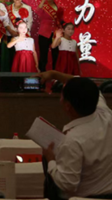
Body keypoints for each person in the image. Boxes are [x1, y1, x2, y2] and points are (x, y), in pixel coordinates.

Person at [37, 70, 112, 200]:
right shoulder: (106, 114)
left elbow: (67, 184)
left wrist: (51, 160)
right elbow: (83, 84)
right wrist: (54, 74)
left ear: (67, 106)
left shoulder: (73, 140)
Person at [35, 0, 63, 71]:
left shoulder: (58, 7)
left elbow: (60, 20)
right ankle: (42, 74)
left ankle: (55, 73)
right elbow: (37, 12)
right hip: (44, 33)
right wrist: (43, 0)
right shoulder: (43, 6)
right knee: (43, 55)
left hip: (55, 34)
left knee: (56, 54)